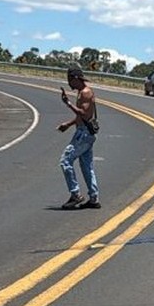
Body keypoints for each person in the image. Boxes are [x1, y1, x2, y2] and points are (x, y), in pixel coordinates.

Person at [57, 66, 101, 209]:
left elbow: (84, 114)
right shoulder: (81, 92)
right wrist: (68, 124)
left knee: (65, 161)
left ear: (76, 78)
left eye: (70, 79)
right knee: (86, 165)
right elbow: (81, 117)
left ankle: (75, 194)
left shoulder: (86, 92)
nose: (69, 83)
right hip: (85, 132)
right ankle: (93, 198)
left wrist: (68, 103)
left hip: (84, 134)